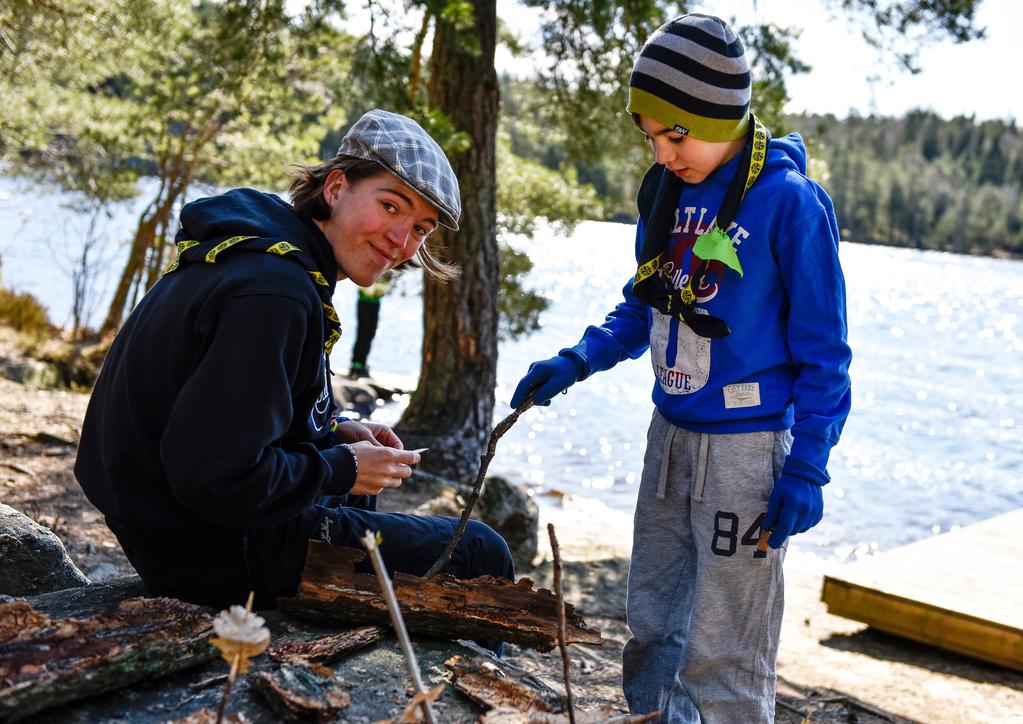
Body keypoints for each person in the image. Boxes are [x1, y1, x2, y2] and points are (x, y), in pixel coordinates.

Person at [511, 14, 851, 722]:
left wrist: (807, 465)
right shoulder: (664, 193)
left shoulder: (788, 203)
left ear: (723, 115)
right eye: (649, 136)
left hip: (746, 450)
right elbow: (645, 307)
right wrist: (577, 359)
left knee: (725, 643)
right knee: (653, 620)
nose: (663, 152)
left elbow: (825, 354)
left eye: (676, 134)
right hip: (667, 440)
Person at [75, 109, 514, 612]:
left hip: (170, 526)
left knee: (354, 492)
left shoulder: (271, 257)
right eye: (390, 206)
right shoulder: (274, 293)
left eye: (420, 228)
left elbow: (233, 419)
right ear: (335, 187)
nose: (401, 241)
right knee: (481, 550)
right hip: (204, 547)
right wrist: (340, 466)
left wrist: (335, 434)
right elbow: (217, 479)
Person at [348, 274, 392, 379]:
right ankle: (358, 365)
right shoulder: (378, 271)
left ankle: (358, 364)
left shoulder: (383, 273)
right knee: (366, 333)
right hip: (368, 302)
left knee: (366, 333)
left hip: (370, 301)